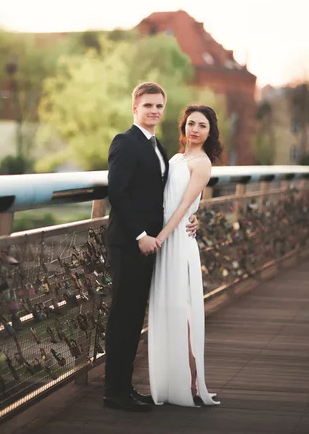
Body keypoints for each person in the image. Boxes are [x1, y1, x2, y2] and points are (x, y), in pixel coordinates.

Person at [104, 82, 198, 412]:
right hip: (130, 243)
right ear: (135, 108)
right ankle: (114, 392)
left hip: (150, 244)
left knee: (133, 319)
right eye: (148, 106)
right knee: (122, 317)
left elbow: (165, 195)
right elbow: (117, 192)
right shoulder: (125, 142)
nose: (154, 111)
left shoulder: (158, 146)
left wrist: (190, 217)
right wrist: (140, 235)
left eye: (159, 106)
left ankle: (124, 387)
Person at [148, 105, 223, 407]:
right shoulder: (177, 158)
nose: (195, 129)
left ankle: (192, 379)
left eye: (202, 125)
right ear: (184, 127)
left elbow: (183, 207)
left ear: (210, 131)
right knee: (168, 306)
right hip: (167, 235)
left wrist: (162, 237)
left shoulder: (202, 163)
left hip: (177, 240)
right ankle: (170, 378)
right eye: (191, 123)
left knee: (185, 308)